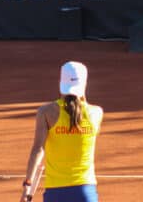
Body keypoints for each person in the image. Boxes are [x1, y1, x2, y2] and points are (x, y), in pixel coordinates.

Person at [20, 61, 103, 202]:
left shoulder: (45, 112)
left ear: (60, 82)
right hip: (85, 192)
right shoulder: (96, 113)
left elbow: (38, 150)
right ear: (84, 84)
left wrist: (28, 186)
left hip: (56, 193)